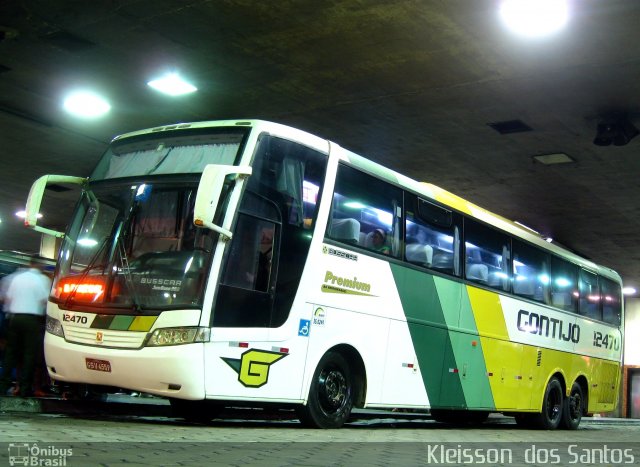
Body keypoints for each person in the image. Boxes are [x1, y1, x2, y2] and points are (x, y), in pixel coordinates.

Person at [0, 258, 51, 397]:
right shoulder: (43, 280)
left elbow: (7, 298)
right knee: (29, 355)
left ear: (30, 264)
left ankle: (3, 386)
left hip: (15, 319)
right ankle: (25, 388)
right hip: (32, 320)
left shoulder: (18, 278)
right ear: (39, 265)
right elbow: (45, 300)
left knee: (10, 354)